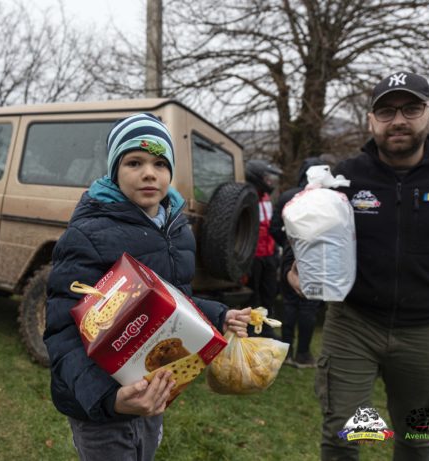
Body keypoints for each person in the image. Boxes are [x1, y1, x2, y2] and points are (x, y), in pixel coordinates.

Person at [286, 71, 429, 460]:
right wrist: (295, 267)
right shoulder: (344, 175)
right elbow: (312, 234)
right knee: (344, 436)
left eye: (411, 109)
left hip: (427, 330)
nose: (398, 120)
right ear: (370, 120)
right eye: (386, 111)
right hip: (353, 323)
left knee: (416, 439)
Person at [43, 113, 251, 461]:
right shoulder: (89, 234)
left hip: (153, 389)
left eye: (159, 163)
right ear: (114, 170)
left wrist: (219, 314)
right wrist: (108, 399)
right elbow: (63, 331)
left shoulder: (177, 229)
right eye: (134, 162)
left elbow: (176, 301)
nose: (149, 173)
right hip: (101, 403)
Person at [271, 157, 327, 368]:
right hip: (317, 255)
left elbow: (275, 227)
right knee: (309, 305)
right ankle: (303, 354)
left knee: (289, 303)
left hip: (290, 252)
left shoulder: (287, 196)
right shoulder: (328, 198)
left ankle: (286, 352)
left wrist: (286, 244)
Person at [244, 159, 282, 338]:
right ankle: (252, 330)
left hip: (269, 254)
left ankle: (267, 329)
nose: (270, 182)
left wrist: (274, 252)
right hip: (253, 256)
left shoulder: (266, 198)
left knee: (269, 294)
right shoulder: (246, 197)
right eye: (266, 178)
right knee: (254, 296)